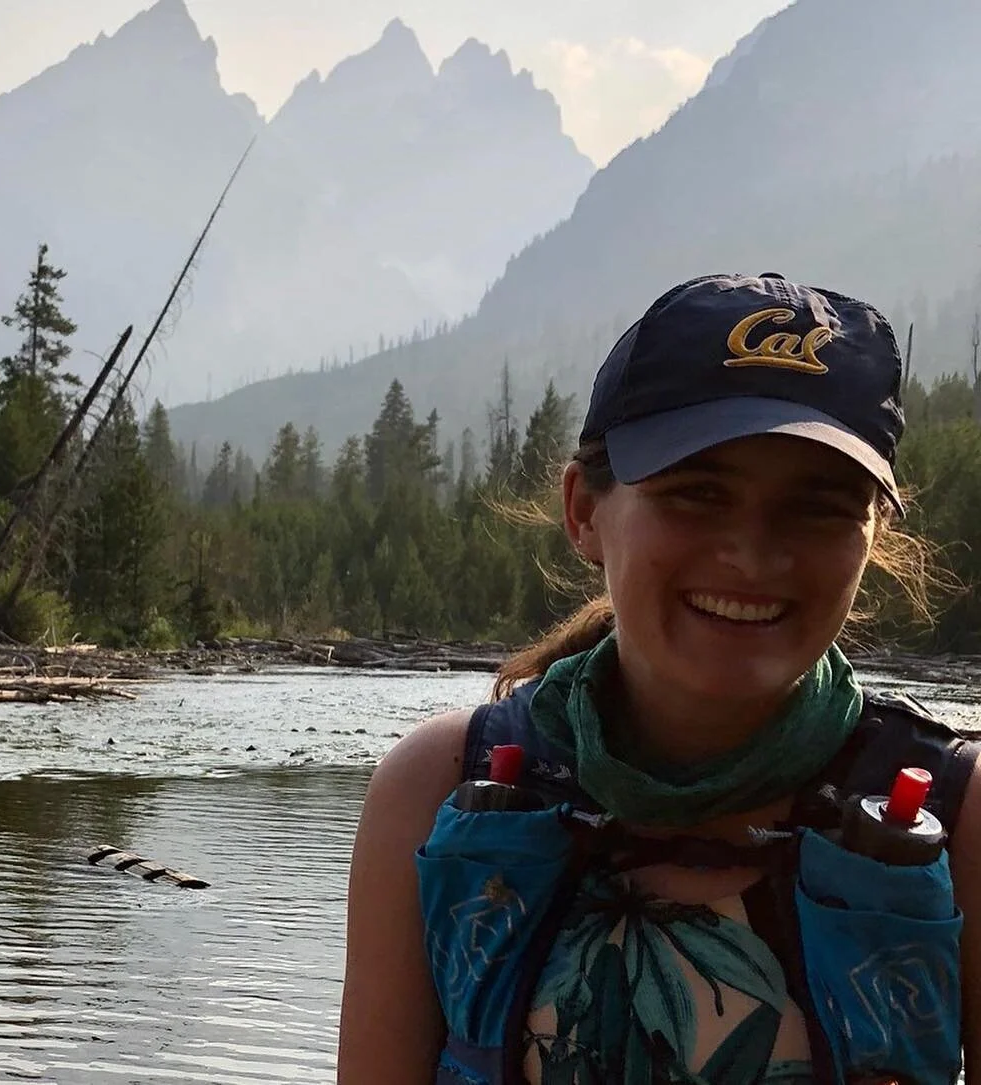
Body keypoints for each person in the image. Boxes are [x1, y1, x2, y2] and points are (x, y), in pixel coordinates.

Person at [336, 272, 981, 1084]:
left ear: (874, 533)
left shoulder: (963, 823)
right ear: (583, 512)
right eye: (697, 494)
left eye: (818, 506)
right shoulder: (430, 789)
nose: (753, 555)